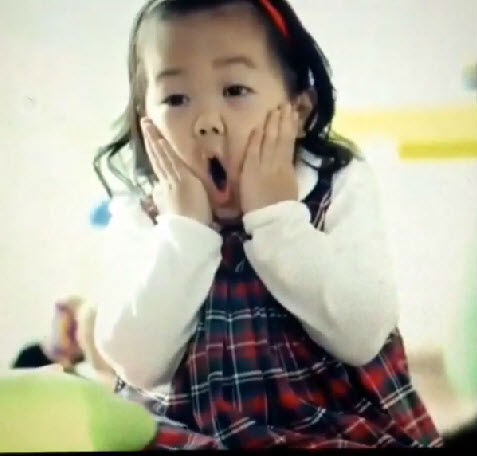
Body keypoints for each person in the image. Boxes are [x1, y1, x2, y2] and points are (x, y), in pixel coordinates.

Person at [92, 0, 443, 449]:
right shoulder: (140, 215)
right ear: (147, 124)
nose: (206, 123)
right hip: (193, 434)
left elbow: (361, 336)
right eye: (176, 99)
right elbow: (135, 364)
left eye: (235, 90)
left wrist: (278, 219)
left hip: (332, 427)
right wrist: (184, 232)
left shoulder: (336, 184)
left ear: (298, 111)